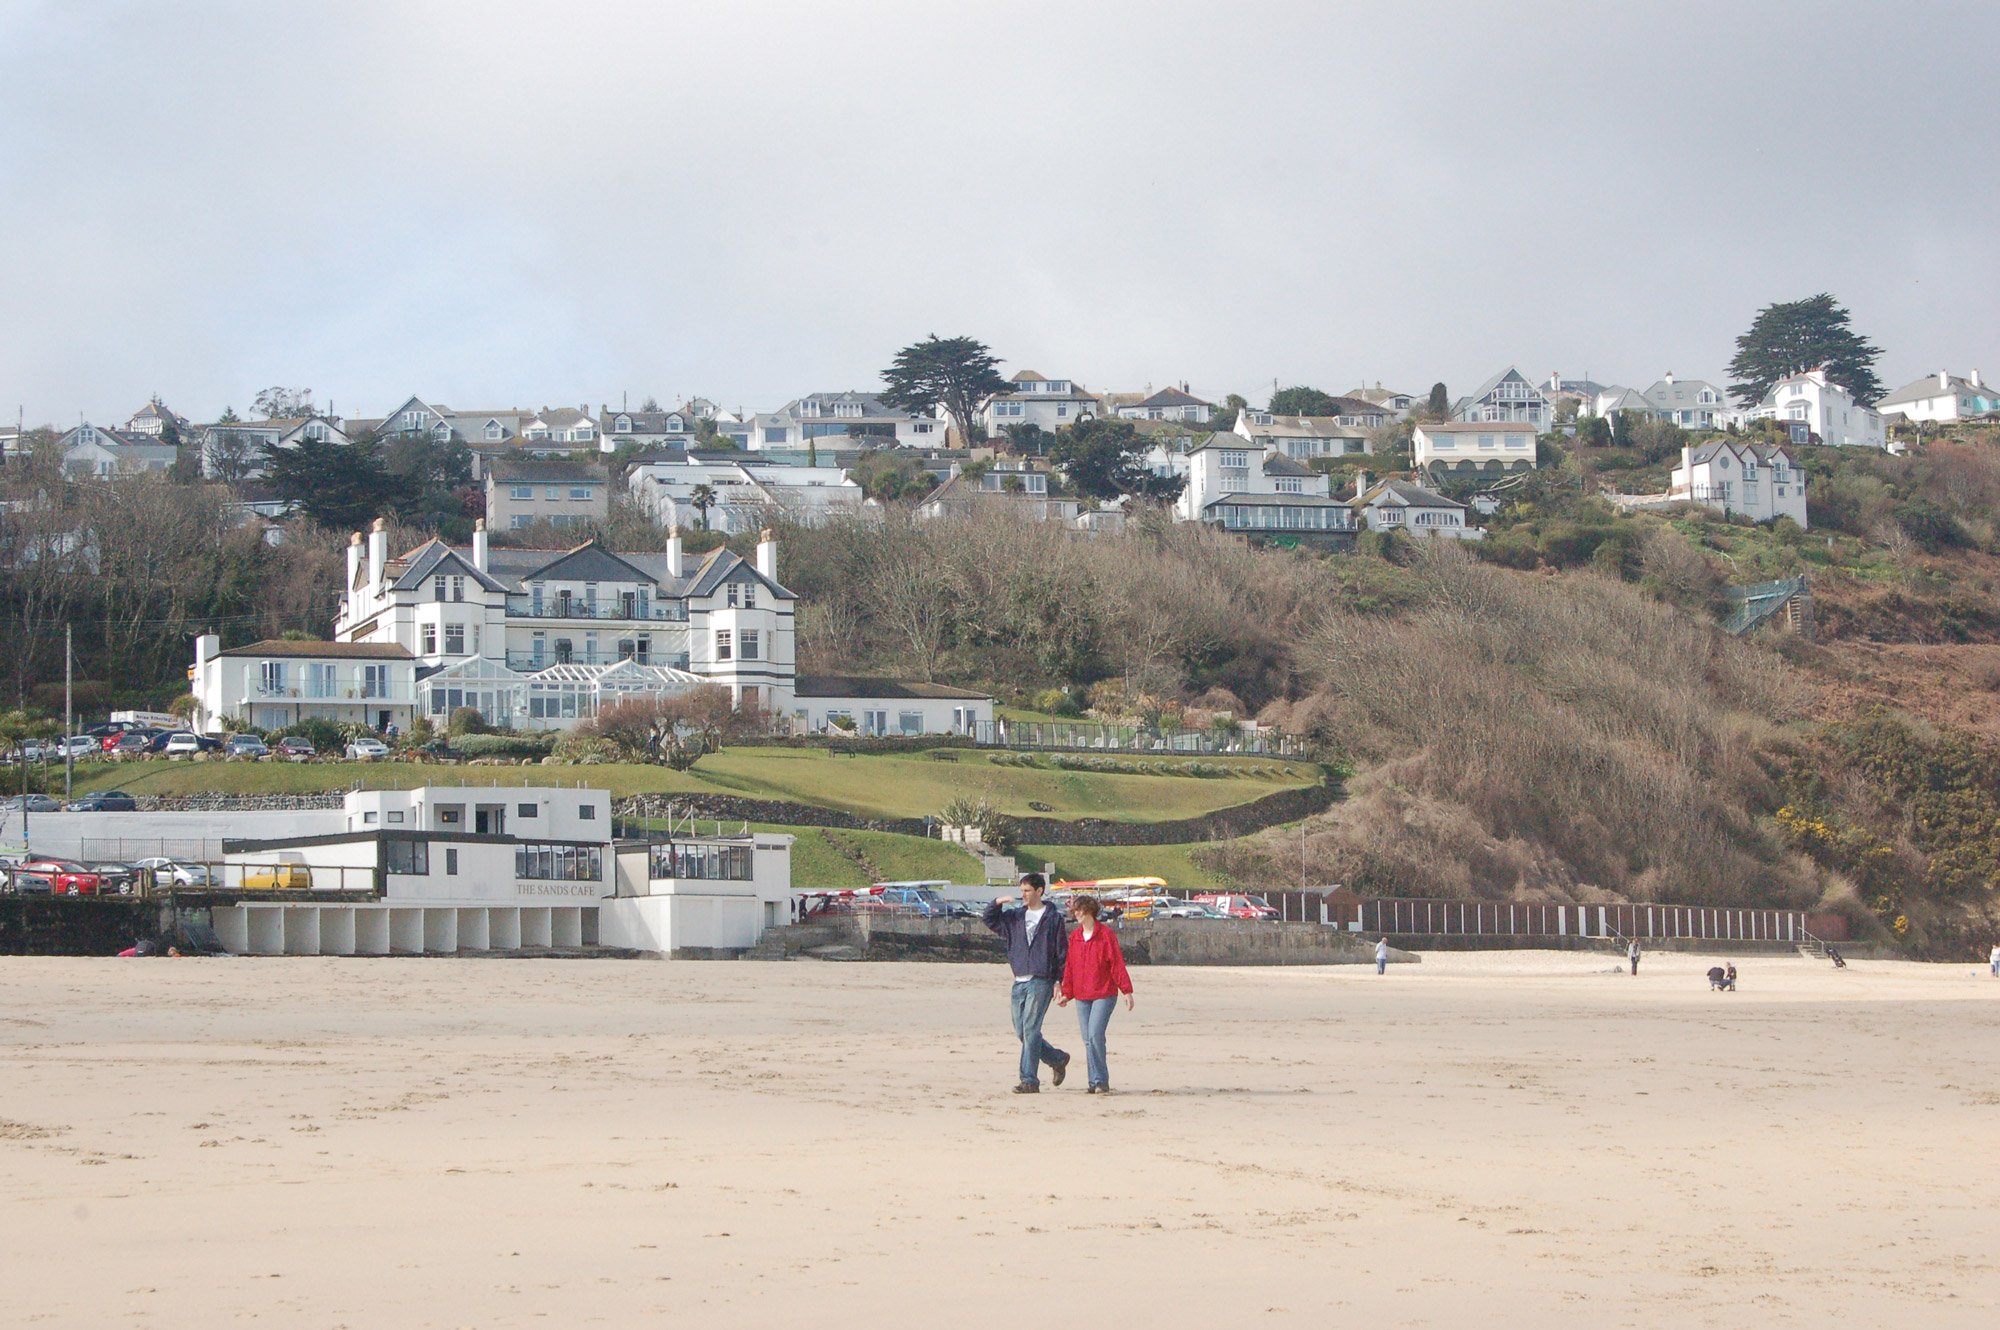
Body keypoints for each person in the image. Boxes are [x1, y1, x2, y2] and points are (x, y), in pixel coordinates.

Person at [982, 873, 1071, 1094]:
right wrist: (996, 903)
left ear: (1039, 891)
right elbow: (989, 920)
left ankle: (1029, 1080)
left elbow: (1062, 952)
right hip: (1019, 979)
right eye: (1021, 890)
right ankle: (1057, 1058)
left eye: (1027, 890)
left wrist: (1059, 981)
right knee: (1022, 1032)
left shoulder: (1053, 918)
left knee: (1031, 1029)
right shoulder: (1015, 917)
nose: (1023, 895)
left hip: (1042, 979)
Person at [1057, 895, 1133, 1095]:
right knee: (1087, 1039)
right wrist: (1067, 993)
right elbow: (1070, 968)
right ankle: (1093, 1081)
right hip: (1082, 995)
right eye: (1075, 911)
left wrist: (1126, 990)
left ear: (1089, 911)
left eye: (1079, 910)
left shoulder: (1106, 935)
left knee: (1095, 1035)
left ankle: (1100, 1080)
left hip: (1104, 993)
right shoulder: (1075, 937)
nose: (1077, 914)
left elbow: (1116, 964)